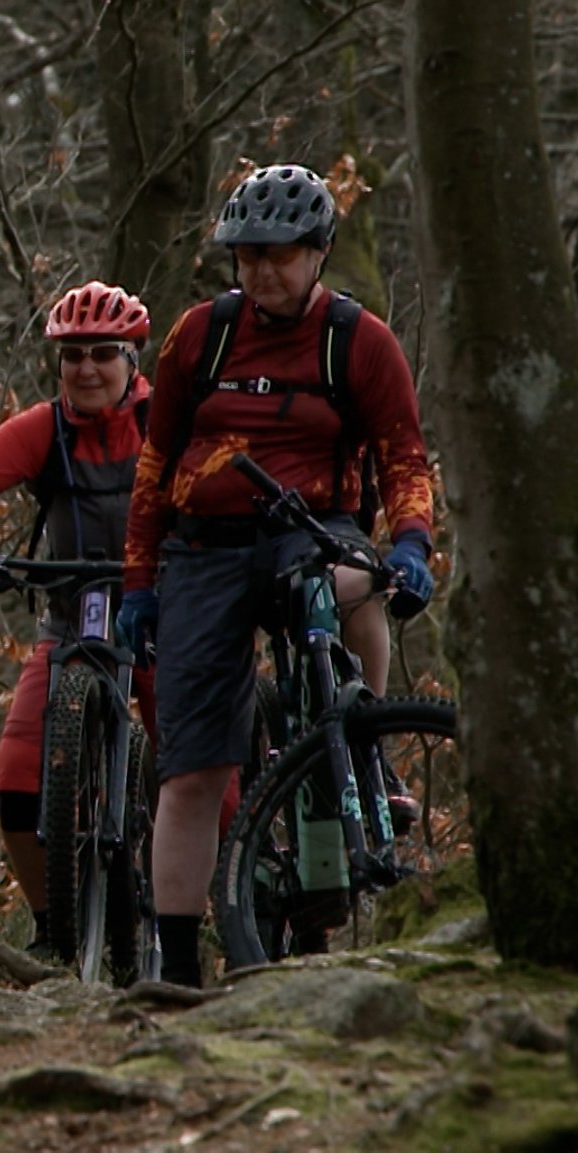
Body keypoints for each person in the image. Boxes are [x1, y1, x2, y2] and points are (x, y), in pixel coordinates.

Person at [117, 163, 436, 988]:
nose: (262, 271)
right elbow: (154, 466)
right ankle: (180, 964)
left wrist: (410, 544)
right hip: (204, 546)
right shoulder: (203, 334)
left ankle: (361, 741)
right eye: (247, 255)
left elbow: (405, 455)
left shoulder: (358, 340)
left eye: (280, 255)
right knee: (191, 767)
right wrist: (140, 581)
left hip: (311, 528)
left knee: (354, 582)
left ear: (319, 252)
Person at [0, 280, 157, 955]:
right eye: (72, 355)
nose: (86, 368)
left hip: (163, 618)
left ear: (133, 359)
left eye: (104, 353)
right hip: (71, 619)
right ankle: (55, 931)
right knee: (15, 792)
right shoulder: (47, 428)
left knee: (203, 779)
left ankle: (205, 913)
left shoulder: (167, 423)